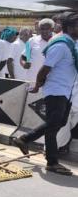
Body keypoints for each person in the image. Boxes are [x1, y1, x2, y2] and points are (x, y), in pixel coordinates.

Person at [13, 13, 78, 176]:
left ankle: (25, 139)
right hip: (56, 90)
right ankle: (52, 162)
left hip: (66, 90)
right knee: (54, 124)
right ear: (70, 27)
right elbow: (44, 69)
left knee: (58, 122)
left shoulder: (71, 43)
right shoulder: (61, 45)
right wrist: (37, 85)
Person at [20, 18, 54, 83]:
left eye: (47, 29)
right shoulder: (31, 41)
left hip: (51, 82)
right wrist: (24, 64)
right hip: (32, 80)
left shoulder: (58, 41)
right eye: (42, 29)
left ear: (52, 29)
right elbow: (23, 57)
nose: (44, 31)